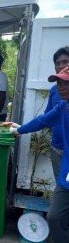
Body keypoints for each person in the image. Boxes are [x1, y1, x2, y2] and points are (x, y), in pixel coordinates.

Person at [4, 66, 69, 243]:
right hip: (66, 178)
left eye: (66, 83)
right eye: (59, 83)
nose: (61, 87)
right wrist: (19, 130)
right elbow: (43, 120)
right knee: (55, 218)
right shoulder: (63, 107)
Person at [46, 47, 69, 181]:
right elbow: (47, 118)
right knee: (61, 185)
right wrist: (21, 128)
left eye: (65, 62)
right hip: (56, 149)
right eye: (57, 63)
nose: (61, 65)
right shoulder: (55, 90)